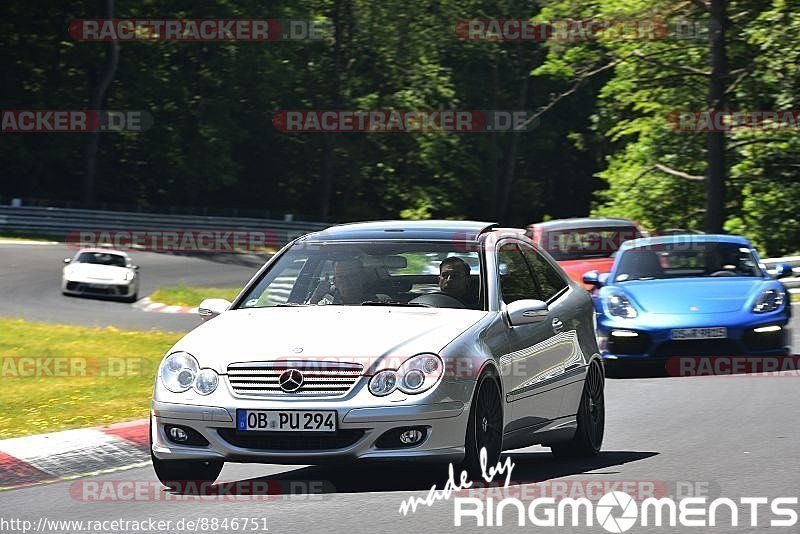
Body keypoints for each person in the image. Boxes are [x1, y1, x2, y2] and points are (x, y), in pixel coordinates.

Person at [309, 259, 389, 305]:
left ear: (362, 278)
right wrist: (316, 297)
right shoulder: (325, 302)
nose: (346, 282)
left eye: (352, 276)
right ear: (335, 281)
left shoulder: (381, 301)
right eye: (341, 277)